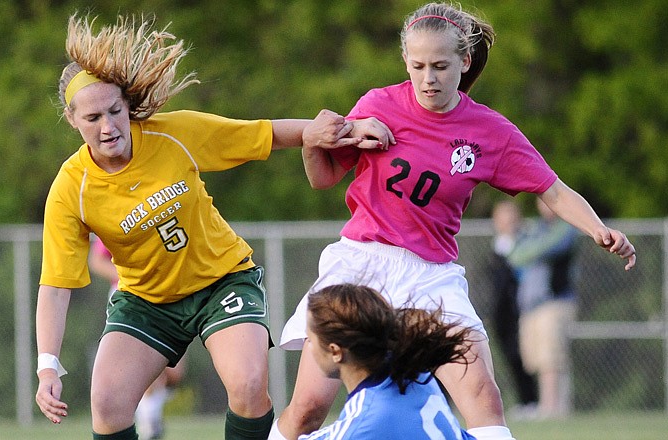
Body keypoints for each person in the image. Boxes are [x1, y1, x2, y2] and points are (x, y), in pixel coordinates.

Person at [270, 3, 637, 440]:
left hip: (431, 277)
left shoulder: (490, 131)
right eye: (418, 66)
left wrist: (598, 228)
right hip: (360, 266)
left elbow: (552, 190)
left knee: (483, 397)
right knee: (308, 409)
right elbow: (323, 178)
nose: (429, 78)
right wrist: (314, 140)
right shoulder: (378, 104)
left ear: (464, 62)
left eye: (441, 66)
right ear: (405, 61)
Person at [34, 13, 390, 440]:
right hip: (147, 301)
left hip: (223, 281)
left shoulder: (172, 134)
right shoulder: (71, 189)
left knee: (248, 385)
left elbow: (262, 134)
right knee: (107, 404)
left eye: (115, 111)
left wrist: (340, 129)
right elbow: (55, 286)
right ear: (72, 119)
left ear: (128, 104)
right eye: (93, 118)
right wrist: (47, 366)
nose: (109, 127)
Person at [299, 283, 476, 440]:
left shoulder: (364, 421)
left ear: (335, 352)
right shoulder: (412, 372)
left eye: (310, 339)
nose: (308, 346)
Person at [89, 238, 186, 439]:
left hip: (166, 294)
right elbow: (97, 260)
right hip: (132, 299)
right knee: (148, 366)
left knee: (175, 372)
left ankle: (148, 412)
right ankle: (148, 423)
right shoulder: (118, 213)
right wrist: (133, 278)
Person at [507, 198, 579, 419]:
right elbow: (514, 255)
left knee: (552, 357)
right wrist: (531, 249)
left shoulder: (566, 227)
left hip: (555, 302)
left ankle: (552, 408)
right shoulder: (535, 228)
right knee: (536, 359)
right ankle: (550, 406)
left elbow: (548, 247)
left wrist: (531, 249)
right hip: (531, 305)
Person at [488, 200, 538, 416]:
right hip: (502, 311)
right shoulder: (496, 246)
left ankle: (533, 400)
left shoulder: (526, 243)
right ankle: (523, 400)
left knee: (525, 354)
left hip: (522, 307)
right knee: (509, 354)